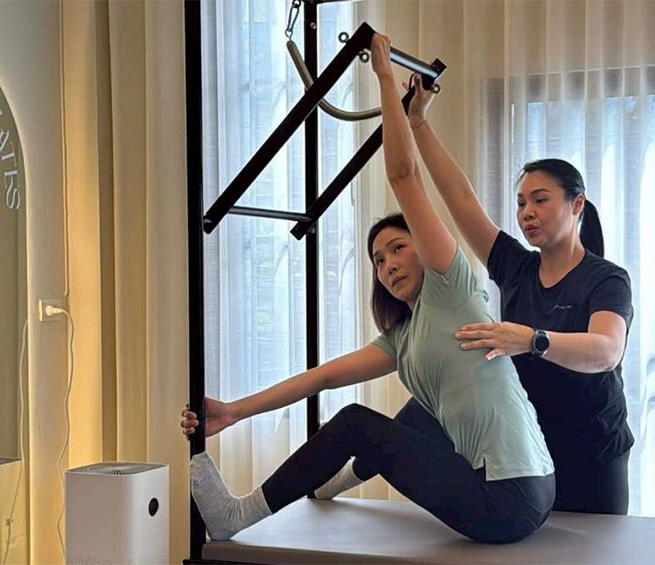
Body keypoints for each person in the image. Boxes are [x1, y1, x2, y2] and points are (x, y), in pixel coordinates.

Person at [179, 34, 555, 544]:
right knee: (420, 409)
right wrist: (233, 411)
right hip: (533, 484)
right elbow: (322, 377)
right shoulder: (406, 335)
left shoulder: (453, 289)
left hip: (508, 498)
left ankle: (237, 516)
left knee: (359, 422)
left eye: (398, 248)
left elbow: (404, 175)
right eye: (378, 260)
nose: (388, 264)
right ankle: (333, 481)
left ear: (424, 248)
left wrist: (383, 74)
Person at [401, 74, 634, 514]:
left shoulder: (606, 279)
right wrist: (418, 123)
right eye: (522, 203)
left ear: (576, 205)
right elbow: (460, 197)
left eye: (540, 200)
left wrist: (530, 339)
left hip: (594, 452)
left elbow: (605, 351)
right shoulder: (515, 266)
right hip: (530, 448)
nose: (527, 213)